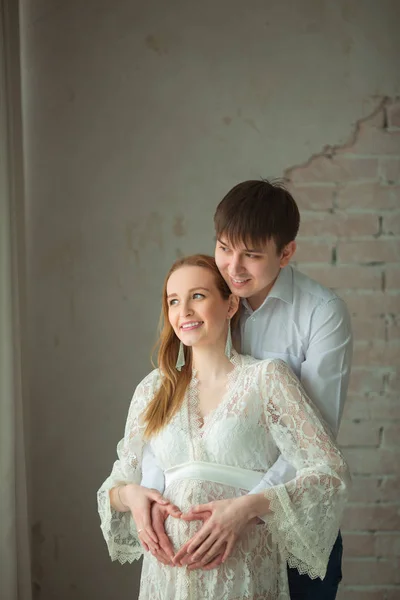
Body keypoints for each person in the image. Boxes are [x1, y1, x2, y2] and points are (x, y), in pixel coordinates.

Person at [141, 180, 353, 599]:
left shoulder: (321, 315)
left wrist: (245, 510)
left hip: (283, 517)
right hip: (199, 532)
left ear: (286, 252)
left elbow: (314, 440)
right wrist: (153, 498)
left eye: (251, 255)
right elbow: (171, 410)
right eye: (224, 248)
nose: (232, 268)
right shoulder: (208, 301)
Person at [97, 254, 350, 600]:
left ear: (230, 304)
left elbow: (329, 470)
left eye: (197, 296)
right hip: (166, 579)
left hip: (243, 571)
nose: (183, 311)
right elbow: (117, 482)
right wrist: (134, 498)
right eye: (174, 301)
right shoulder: (153, 389)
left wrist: (247, 508)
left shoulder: (267, 378)